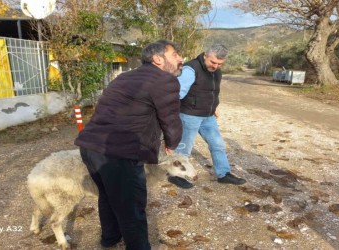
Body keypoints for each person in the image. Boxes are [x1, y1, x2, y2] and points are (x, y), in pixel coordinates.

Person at [74, 40, 184, 249]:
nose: (181, 59)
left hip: (90, 147)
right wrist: (172, 142)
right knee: (131, 207)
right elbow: (170, 118)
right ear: (158, 59)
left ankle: (110, 238)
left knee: (108, 196)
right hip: (118, 153)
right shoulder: (164, 80)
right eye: (175, 54)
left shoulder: (125, 76)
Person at [175, 44, 246, 185]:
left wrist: (214, 107)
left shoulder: (216, 71)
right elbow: (177, 93)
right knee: (184, 147)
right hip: (189, 114)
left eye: (220, 64)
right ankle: (177, 175)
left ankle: (223, 174)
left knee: (218, 145)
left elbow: (212, 92)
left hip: (208, 116)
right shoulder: (191, 69)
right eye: (213, 62)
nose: (215, 66)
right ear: (205, 55)